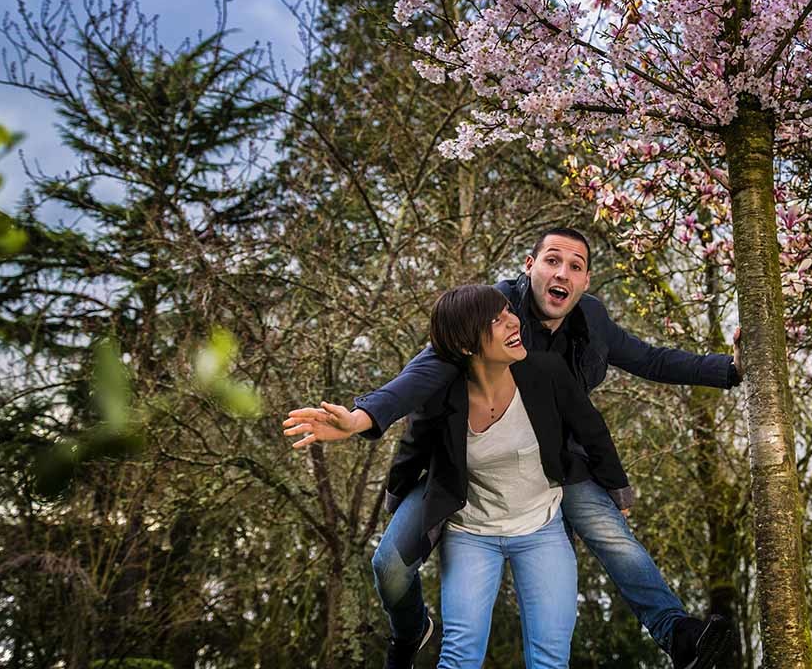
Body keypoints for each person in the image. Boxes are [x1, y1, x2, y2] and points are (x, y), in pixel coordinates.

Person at [285, 227, 741, 669]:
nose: (562, 273)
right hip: (465, 468)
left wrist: (731, 369)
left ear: (585, 281)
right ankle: (409, 631)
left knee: (612, 535)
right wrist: (360, 418)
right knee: (388, 565)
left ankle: (677, 633)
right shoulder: (490, 311)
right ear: (530, 266)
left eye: (575, 267)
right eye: (552, 260)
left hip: (552, 465)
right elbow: (420, 375)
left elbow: (651, 360)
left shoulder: (591, 321)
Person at [370, 284, 630, 668]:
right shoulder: (442, 394)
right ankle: (410, 632)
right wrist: (397, 498)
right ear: (465, 345)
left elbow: (593, 431)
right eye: (497, 320)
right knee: (460, 656)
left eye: (509, 311)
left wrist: (618, 493)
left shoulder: (546, 372)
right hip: (471, 536)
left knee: (550, 660)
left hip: (541, 530)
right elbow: (413, 447)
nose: (514, 322)